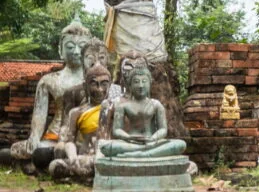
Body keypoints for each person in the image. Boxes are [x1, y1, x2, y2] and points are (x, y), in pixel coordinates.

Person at [10, 18, 92, 162]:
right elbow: (40, 116)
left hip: (86, 135)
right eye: (70, 46)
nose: (76, 51)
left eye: (82, 46)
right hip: (55, 136)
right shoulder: (49, 80)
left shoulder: (96, 80)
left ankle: (64, 160)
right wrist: (34, 138)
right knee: (19, 149)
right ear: (60, 50)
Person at [98, 60, 186, 158]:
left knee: (180, 144)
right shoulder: (123, 106)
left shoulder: (156, 104)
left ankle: (141, 154)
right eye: (136, 82)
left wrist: (153, 138)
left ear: (150, 83)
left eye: (144, 81)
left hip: (152, 141)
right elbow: (117, 130)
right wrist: (129, 138)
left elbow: (163, 129)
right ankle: (147, 153)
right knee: (106, 147)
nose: (140, 85)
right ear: (130, 85)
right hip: (130, 142)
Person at [48, 63, 112, 180]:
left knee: (106, 163)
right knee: (55, 166)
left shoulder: (115, 109)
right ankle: (89, 173)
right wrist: (73, 158)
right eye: (94, 84)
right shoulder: (76, 112)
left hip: (107, 156)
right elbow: (69, 141)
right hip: (85, 157)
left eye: (104, 84)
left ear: (110, 85)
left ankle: (89, 173)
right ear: (85, 86)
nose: (99, 89)